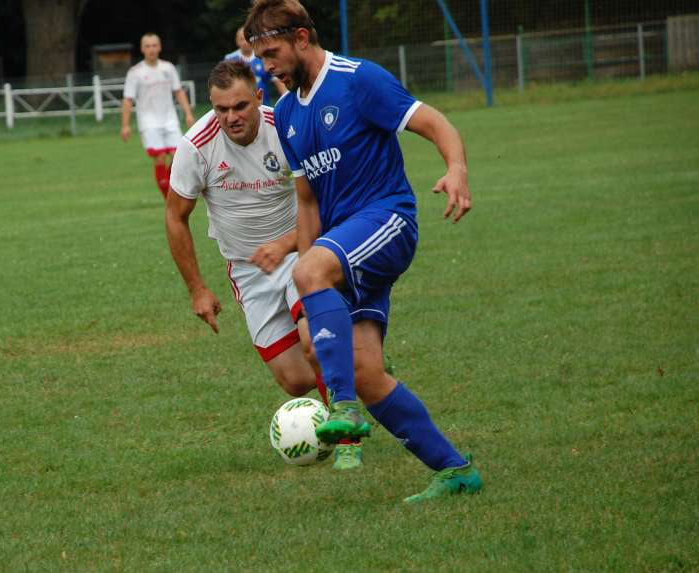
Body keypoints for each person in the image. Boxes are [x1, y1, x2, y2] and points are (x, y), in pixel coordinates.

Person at [245, 0, 482, 502]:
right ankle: (455, 470)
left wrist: (456, 168)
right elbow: (307, 202)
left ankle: (343, 411)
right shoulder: (287, 113)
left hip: (388, 220)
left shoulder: (358, 80)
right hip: (342, 250)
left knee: (341, 362)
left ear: (302, 38)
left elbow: (436, 123)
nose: (266, 67)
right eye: (260, 57)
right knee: (367, 372)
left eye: (271, 53)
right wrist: (308, 285)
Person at [165, 59, 364, 470]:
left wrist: (286, 243)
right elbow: (175, 217)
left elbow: (325, 201)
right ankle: (354, 357)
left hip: (303, 251)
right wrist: (197, 288)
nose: (231, 118)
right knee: (294, 380)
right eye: (221, 110)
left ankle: (347, 441)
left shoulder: (286, 128)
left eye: (240, 106)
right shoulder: (196, 145)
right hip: (248, 270)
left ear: (258, 97)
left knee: (314, 343)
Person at [121, 33, 195, 199]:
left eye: (154, 45)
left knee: (178, 158)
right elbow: (128, 100)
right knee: (160, 157)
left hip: (170, 120)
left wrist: (188, 114)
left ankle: (172, 191)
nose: (151, 49)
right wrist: (125, 125)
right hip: (149, 122)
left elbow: (178, 91)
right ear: (142, 49)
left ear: (159, 47)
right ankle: (168, 199)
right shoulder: (135, 72)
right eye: (147, 46)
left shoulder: (168, 68)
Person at [225, 26, 287, 105]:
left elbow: (278, 81)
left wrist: (285, 97)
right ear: (237, 41)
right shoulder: (230, 59)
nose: (245, 42)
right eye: (241, 39)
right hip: (239, 107)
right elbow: (226, 85)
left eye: (247, 39)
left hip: (263, 105)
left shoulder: (264, 57)